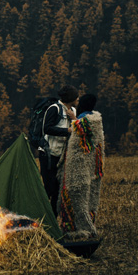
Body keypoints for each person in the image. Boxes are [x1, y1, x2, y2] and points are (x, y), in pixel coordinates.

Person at [57, 93, 105, 240]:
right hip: (89, 170)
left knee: (77, 198)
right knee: (85, 199)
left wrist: (73, 118)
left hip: (79, 170)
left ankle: (85, 229)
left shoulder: (86, 121)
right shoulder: (95, 119)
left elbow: (83, 129)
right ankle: (80, 227)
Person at [38, 85, 79, 213]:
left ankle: (52, 221)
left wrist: (74, 119)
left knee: (57, 191)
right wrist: (67, 130)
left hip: (61, 157)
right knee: (49, 188)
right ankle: (41, 215)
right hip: (48, 154)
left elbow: (78, 129)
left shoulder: (73, 111)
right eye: (76, 97)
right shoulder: (54, 109)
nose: (78, 99)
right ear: (71, 98)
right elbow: (46, 128)